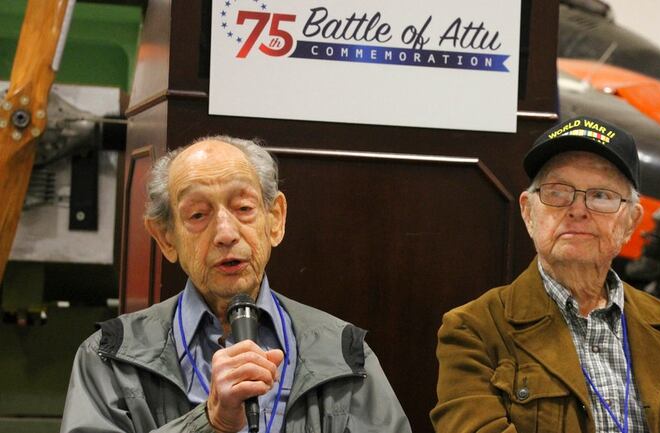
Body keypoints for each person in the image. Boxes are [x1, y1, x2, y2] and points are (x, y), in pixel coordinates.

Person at [61, 136, 411, 433]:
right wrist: (210, 421)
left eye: (244, 208)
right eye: (198, 215)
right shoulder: (110, 357)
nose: (226, 234)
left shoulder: (343, 352)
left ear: (275, 220)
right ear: (165, 237)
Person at [431, 116, 660, 433]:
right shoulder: (475, 331)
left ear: (630, 223)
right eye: (557, 192)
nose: (578, 209)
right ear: (529, 213)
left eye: (601, 195)